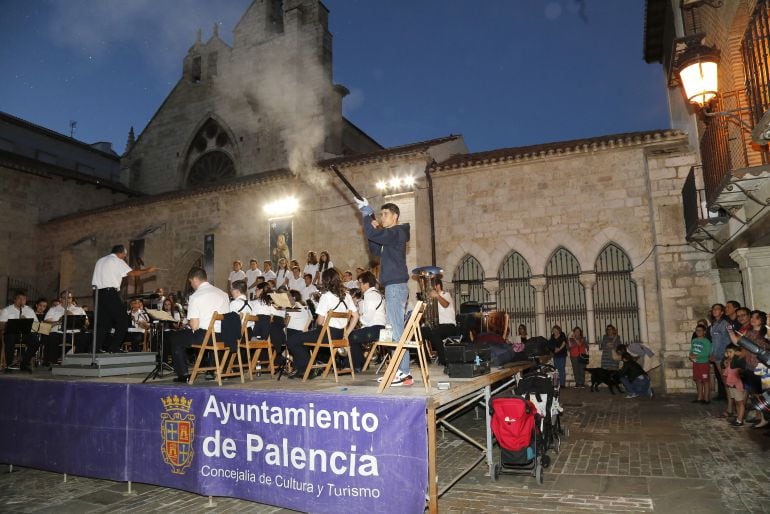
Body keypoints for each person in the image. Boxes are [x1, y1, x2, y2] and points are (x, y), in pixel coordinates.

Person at [355, 199, 412, 387]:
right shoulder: (391, 236)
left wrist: (366, 213)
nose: (382, 217)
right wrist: (370, 220)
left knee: (396, 331)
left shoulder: (397, 232)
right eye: (380, 214)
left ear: (395, 216)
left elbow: (375, 233)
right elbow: (374, 248)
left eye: (385, 214)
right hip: (392, 287)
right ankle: (400, 371)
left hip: (395, 286)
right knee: (395, 329)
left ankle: (402, 372)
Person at [286, 268, 359, 379]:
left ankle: (308, 369)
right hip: (340, 334)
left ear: (326, 281)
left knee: (293, 340)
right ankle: (307, 367)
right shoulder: (347, 295)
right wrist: (347, 333)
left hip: (326, 334)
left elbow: (320, 321)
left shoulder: (326, 296)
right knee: (302, 339)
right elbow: (356, 316)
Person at [169, 267, 230, 383]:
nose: (191, 285)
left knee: (175, 338)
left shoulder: (195, 296)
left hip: (206, 337)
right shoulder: (223, 294)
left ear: (195, 280)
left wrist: (188, 324)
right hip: (224, 336)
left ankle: (183, 374)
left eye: (190, 282)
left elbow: (194, 326)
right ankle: (212, 371)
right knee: (209, 336)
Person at [92, 244, 156, 353]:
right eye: (125, 255)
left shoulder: (100, 260)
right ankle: (113, 347)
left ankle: (95, 349)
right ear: (120, 253)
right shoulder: (116, 260)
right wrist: (148, 270)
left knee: (103, 323)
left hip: (97, 293)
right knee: (123, 320)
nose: (125, 257)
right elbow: (132, 273)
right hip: (109, 292)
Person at [348, 271, 387, 372]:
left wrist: (357, 318)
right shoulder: (376, 293)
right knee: (354, 335)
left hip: (375, 329)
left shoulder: (370, 295)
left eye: (360, 283)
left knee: (350, 336)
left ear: (367, 283)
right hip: (379, 328)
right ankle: (361, 363)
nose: (359, 286)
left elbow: (368, 318)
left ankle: (358, 365)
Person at [0, 291, 38, 372]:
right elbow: (1, 325)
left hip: (25, 333)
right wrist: (11, 323)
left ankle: (24, 363)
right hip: (12, 333)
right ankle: (9, 365)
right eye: (19, 299)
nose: (21, 301)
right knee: (9, 338)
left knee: (35, 341)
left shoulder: (29, 310)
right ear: (14, 300)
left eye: (23, 299)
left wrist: (27, 321)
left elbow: (36, 324)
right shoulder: (7, 310)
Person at [426, 279, 458, 368]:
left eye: (431, 287)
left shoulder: (445, 294)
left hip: (449, 326)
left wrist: (437, 296)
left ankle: (444, 360)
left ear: (438, 286)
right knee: (422, 331)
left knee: (435, 332)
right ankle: (425, 360)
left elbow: (446, 305)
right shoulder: (434, 299)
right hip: (439, 326)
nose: (430, 290)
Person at [709, 303, 730, 401]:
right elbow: (714, 342)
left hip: (723, 357)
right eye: (713, 309)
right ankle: (730, 405)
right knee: (724, 381)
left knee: (727, 381)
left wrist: (717, 355)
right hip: (717, 357)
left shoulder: (725, 324)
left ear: (722, 312)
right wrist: (712, 354)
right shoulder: (715, 324)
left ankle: (732, 406)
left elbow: (726, 342)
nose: (714, 310)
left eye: (717, 309)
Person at [722, 343, 747, 427]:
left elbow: (740, 373)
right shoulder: (729, 361)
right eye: (727, 352)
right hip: (731, 385)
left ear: (736, 352)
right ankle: (738, 418)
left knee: (740, 403)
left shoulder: (738, 362)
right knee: (737, 403)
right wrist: (726, 365)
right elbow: (726, 373)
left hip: (737, 385)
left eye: (730, 352)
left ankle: (740, 420)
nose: (728, 354)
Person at [689, 323, 712, 404]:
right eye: (697, 330)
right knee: (698, 380)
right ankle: (699, 397)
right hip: (696, 364)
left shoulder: (707, 341)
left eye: (700, 330)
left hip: (704, 364)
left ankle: (706, 399)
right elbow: (691, 350)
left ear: (704, 332)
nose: (698, 332)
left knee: (705, 381)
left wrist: (696, 356)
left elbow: (707, 353)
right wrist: (691, 355)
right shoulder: (694, 340)